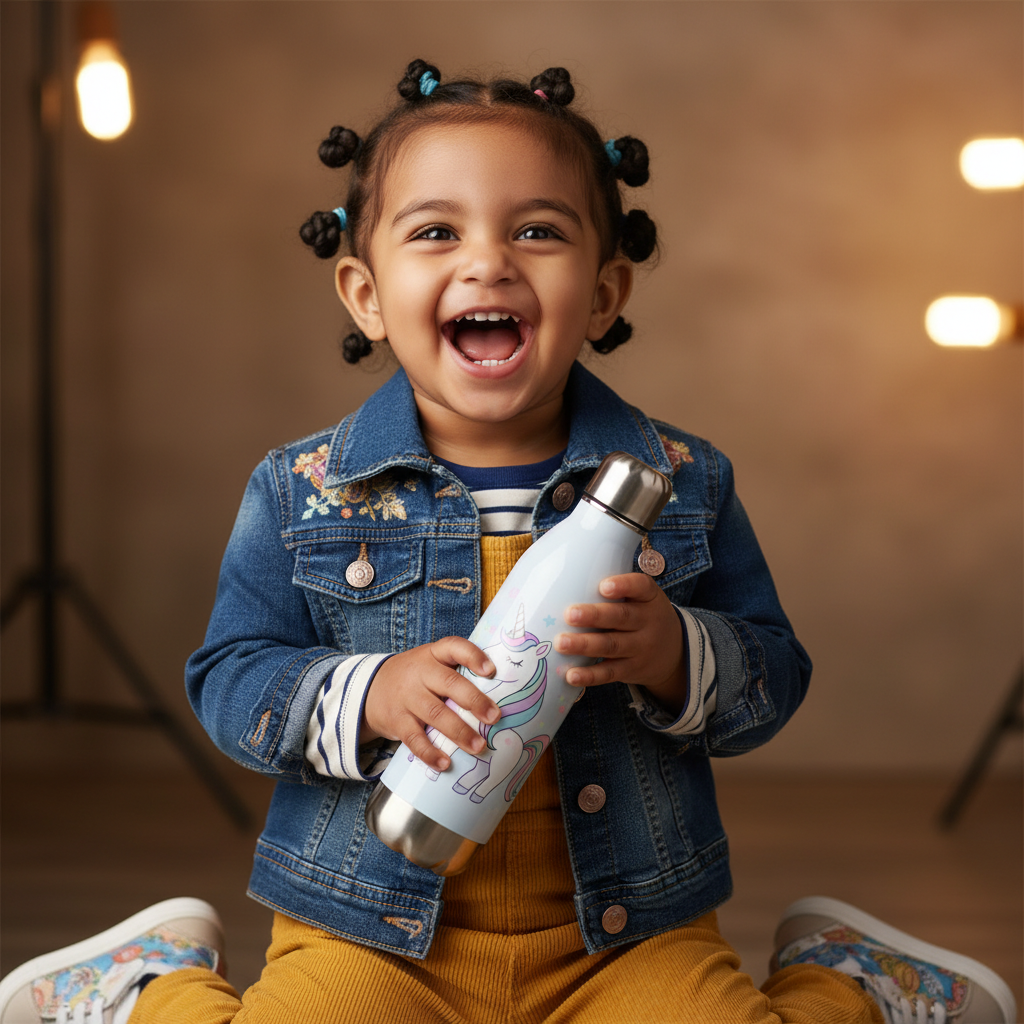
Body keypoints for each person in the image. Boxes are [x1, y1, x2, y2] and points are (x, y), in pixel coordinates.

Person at [0, 60, 1015, 1024]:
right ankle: (149, 981)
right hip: (370, 933)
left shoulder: (682, 483)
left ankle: (846, 979)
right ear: (365, 293)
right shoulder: (305, 490)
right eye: (436, 232)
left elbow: (773, 678)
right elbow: (229, 678)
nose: (487, 259)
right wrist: (370, 693)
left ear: (606, 291)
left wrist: (675, 657)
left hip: (623, 938)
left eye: (536, 231)